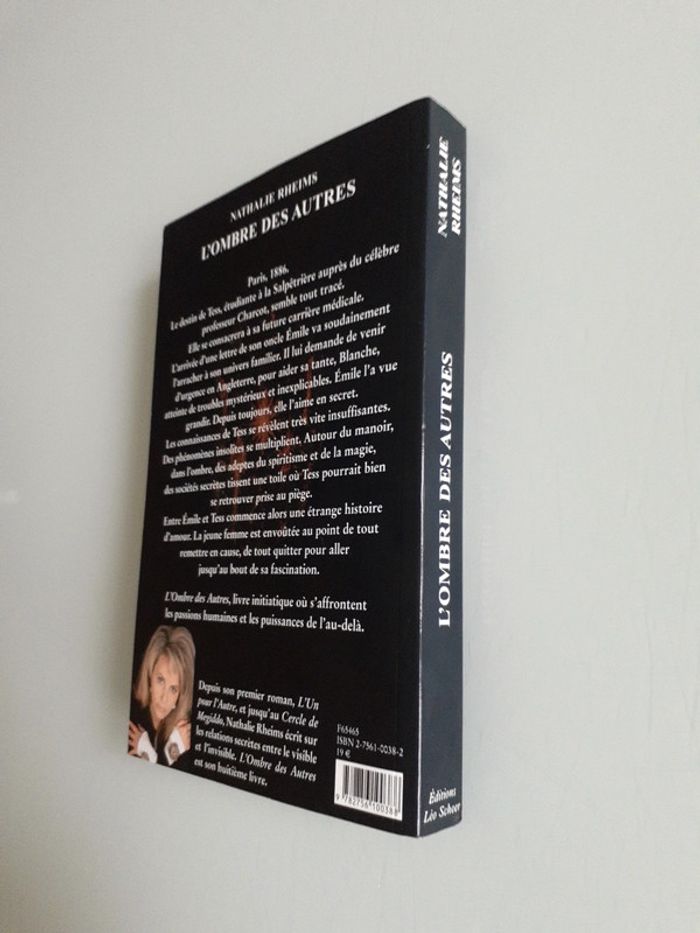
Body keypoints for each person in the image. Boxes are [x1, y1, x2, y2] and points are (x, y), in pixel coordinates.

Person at [128, 625, 195, 767]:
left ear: (179, 696)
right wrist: (170, 753)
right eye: (160, 680)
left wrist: (151, 754)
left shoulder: (183, 735)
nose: (164, 698)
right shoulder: (131, 718)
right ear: (149, 677)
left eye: (173, 689)